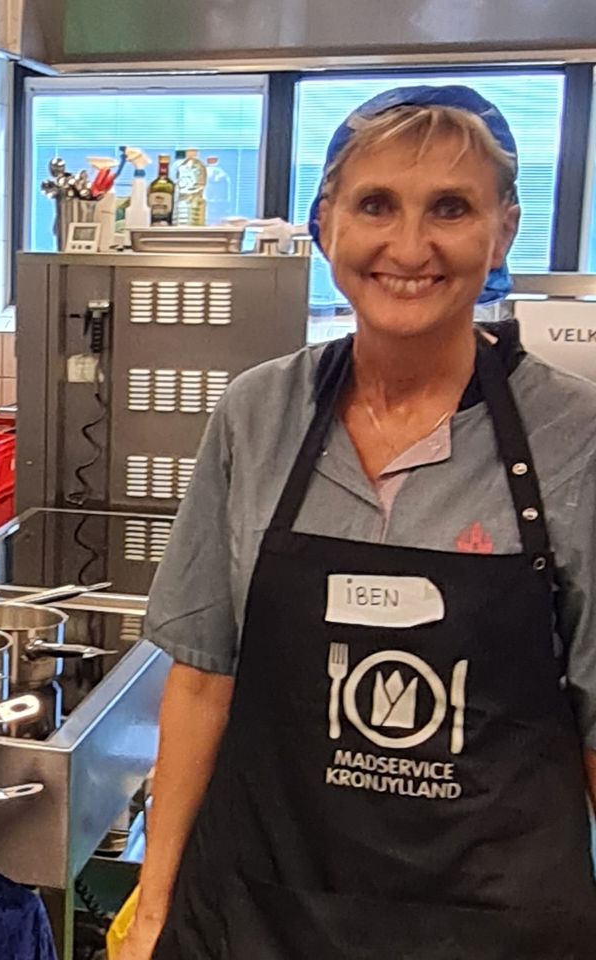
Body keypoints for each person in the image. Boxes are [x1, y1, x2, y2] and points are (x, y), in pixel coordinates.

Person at [123, 86, 596, 959]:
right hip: (262, 916)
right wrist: (153, 910)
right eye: (376, 205)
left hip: (496, 932)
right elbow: (201, 684)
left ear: (503, 231)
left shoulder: (577, 438)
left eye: (450, 208)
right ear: (325, 225)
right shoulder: (259, 415)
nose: (409, 247)